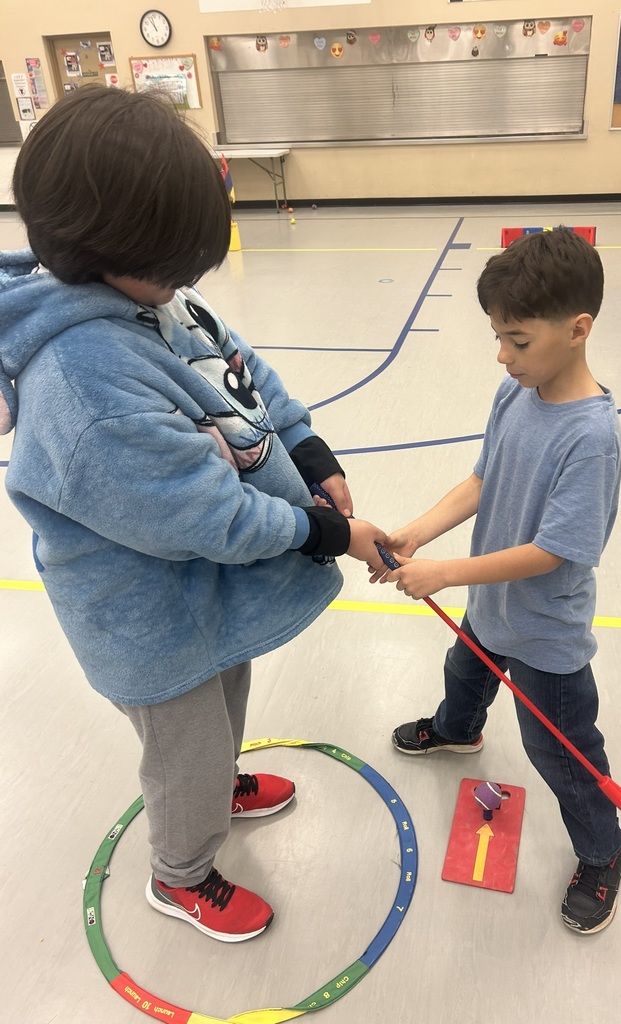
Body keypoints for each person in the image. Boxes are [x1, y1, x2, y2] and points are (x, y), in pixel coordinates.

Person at [0, 85, 388, 943]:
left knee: (228, 696)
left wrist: (310, 453)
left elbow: (241, 369)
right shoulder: (84, 384)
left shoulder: (156, 294)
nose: (185, 286)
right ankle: (180, 874)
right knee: (187, 744)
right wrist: (326, 533)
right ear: (94, 247)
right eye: (170, 265)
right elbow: (204, 516)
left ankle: (222, 782)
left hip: (205, 594)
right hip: (145, 616)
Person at [378, 228, 621, 934]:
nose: (501, 354)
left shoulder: (591, 436)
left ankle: (603, 851)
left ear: (578, 330)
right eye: (497, 336)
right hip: (493, 607)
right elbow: (483, 480)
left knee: (562, 749)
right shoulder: (515, 394)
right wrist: (419, 533)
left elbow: (554, 552)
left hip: (546, 631)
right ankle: (457, 731)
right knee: (467, 672)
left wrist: (446, 574)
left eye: (517, 339)